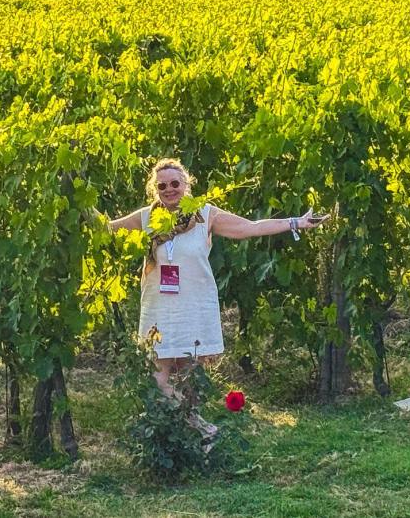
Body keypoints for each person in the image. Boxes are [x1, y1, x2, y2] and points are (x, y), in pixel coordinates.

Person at [106, 157, 328, 438]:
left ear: (186, 185)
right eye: (162, 186)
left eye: (175, 183)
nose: (169, 189)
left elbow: (250, 227)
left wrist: (295, 222)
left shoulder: (205, 215)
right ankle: (202, 430)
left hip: (194, 306)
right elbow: (107, 228)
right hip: (159, 307)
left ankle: (186, 440)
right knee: (157, 378)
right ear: (154, 189)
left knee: (189, 379)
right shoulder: (146, 217)